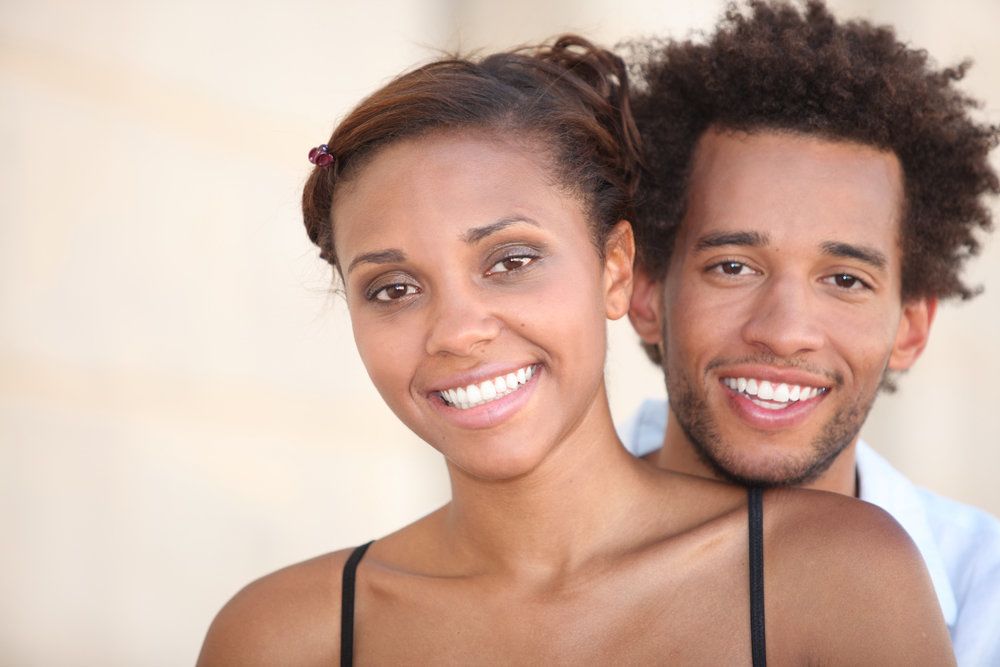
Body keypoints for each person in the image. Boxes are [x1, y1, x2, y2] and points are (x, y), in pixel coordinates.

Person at [197, 35, 952, 665]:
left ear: (616, 271)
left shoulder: (837, 575)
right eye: (394, 288)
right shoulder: (283, 636)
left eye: (511, 261)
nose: (458, 330)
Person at [622, 1, 1000, 663]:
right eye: (733, 266)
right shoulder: (514, 573)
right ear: (647, 292)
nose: (785, 331)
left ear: (912, 327)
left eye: (846, 279)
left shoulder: (985, 597)